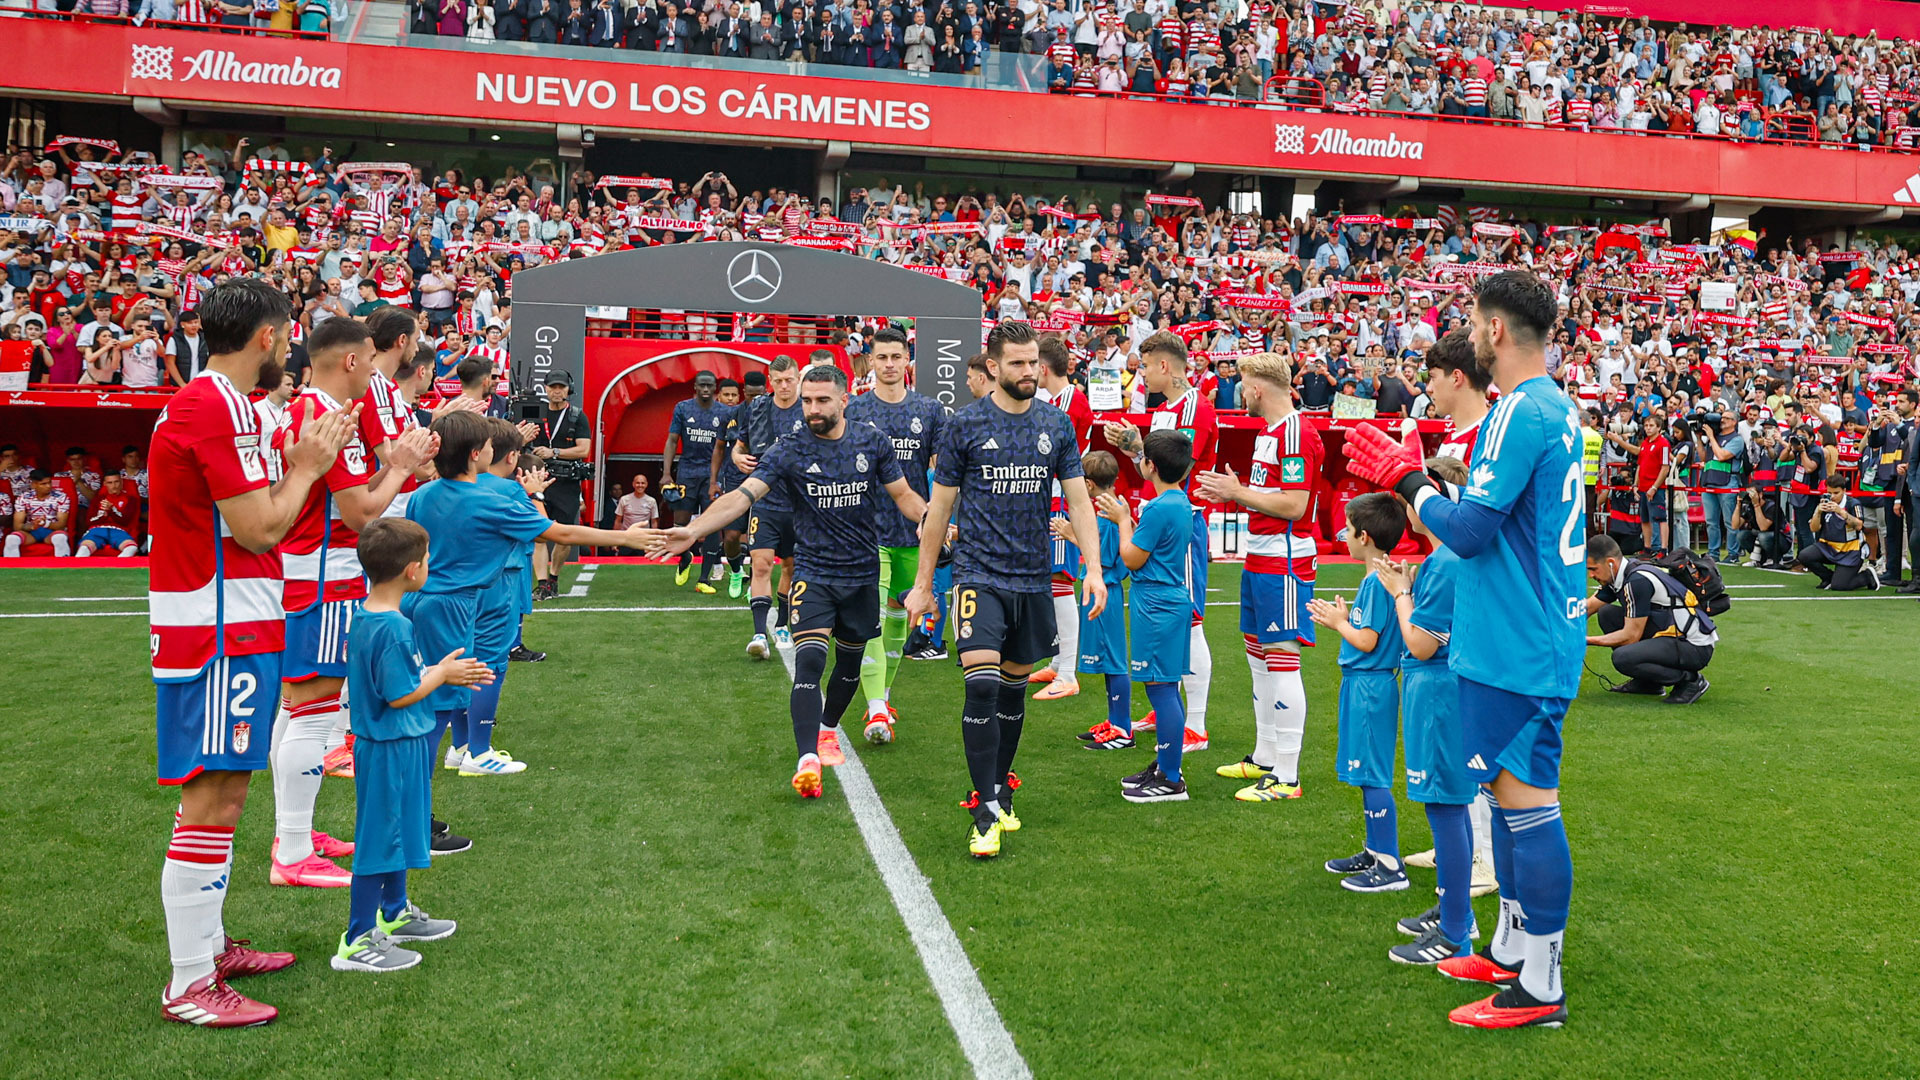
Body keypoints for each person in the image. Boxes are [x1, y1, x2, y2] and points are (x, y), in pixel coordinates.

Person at [1342, 270, 1584, 1028]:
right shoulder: (1543, 409)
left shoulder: (1525, 410)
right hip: (1513, 636)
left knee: (1526, 806)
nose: (1471, 333)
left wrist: (1404, 477)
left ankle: (1540, 983)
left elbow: (1470, 531)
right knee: (1506, 805)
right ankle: (1514, 949)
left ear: (1496, 332)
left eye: (1475, 322)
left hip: (1523, 644)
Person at [151, 277, 357, 1027]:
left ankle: (208, 947)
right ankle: (188, 984)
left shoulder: (232, 405)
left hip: (236, 620)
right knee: (211, 797)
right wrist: (307, 465)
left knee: (226, 797)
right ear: (268, 337)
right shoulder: (212, 405)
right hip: (214, 627)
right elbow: (260, 529)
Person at [651, 364, 925, 796]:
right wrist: (695, 529)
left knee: (848, 667)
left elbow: (904, 496)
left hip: (860, 575)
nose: (812, 409)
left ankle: (828, 727)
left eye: (821, 400)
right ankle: (807, 758)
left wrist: (932, 519)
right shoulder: (790, 449)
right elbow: (744, 495)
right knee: (811, 661)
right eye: (807, 401)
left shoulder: (872, 443)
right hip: (813, 574)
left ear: (843, 400)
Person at [905, 321, 1108, 859]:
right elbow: (940, 508)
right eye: (1017, 363)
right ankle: (984, 810)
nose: (1029, 372)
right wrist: (924, 586)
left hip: (1033, 577)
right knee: (981, 686)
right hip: (977, 575)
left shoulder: (1056, 424)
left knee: (1015, 692)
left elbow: (1080, 501)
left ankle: (1001, 786)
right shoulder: (965, 426)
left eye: (1033, 361)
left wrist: (1093, 566)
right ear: (992, 366)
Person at [267, 317, 435, 887]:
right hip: (324, 576)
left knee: (296, 710)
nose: (374, 372)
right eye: (368, 360)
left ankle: (296, 832)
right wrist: (400, 468)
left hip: (305, 571)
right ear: (350, 361)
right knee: (314, 713)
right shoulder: (326, 419)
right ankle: (291, 851)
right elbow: (361, 513)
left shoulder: (302, 410)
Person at [404, 412, 651, 800]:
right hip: (451, 607)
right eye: (488, 444)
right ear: (475, 454)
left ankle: (421, 800)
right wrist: (629, 539)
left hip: (419, 602)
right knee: (435, 711)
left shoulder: (422, 495)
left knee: (431, 700)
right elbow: (560, 532)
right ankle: (417, 811)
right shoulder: (490, 501)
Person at [333, 517, 480, 973]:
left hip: (401, 744)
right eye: (427, 559)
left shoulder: (377, 616)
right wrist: (442, 674)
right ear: (412, 571)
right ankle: (357, 940)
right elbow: (398, 694)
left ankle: (393, 913)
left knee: (398, 833)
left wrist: (434, 669)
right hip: (389, 748)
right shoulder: (391, 628)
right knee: (379, 839)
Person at [1192, 351, 1320, 801]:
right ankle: (1265, 756)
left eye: (1243, 384)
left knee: (1281, 655)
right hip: (1262, 555)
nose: (1239, 392)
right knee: (1259, 655)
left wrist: (1237, 491)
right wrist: (1238, 491)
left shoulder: (1296, 433)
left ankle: (1287, 775)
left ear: (1258, 388)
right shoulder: (1273, 432)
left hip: (1283, 560)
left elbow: (1295, 505)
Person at [1373, 455, 1479, 965]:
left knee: (1445, 807)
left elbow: (1418, 643)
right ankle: (1453, 909)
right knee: (1450, 807)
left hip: (1439, 694)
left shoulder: (1445, 562)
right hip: (1449, 690)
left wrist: (1400, 593)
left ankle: (1456, 930)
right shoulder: (1452, 556)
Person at [1101, 330, 1217, 752]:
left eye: (1146, 366)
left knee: (1189, 622)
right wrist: (1134, 449)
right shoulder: (1170, 407)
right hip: (1165, 520)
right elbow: (1158, 468)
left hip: (1181, 524)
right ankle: (1165, 706)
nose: (1142, 374)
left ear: (1165, 365)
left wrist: (1135, 447)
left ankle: (1197, 725)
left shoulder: (1196, 409)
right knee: (1170, 623)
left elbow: (1178, 470)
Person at [844, 326, 946, 742]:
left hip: (915, 531)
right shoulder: (854, 409)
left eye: (895, 357)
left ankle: (883, 695)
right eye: (881, 357)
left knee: (903, 617)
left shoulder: (931, 410)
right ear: (870, 361)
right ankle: (875, 709)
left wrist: (942, 518)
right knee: (871, 617)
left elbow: (941, 473)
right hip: (867, 531)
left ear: (907, 361)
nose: (888, 364)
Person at [1308, 493, 1408, 894]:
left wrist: (1337, 623)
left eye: (1348, 530)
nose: (1343, 536)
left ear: (1364, 537)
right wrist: (1348, 619)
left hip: (1371, 686)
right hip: (1367, 685)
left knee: (1372, 773)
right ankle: (1375, 849)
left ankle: (1389, 865)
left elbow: (1367, 640)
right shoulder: (1381, 577)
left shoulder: (1377, 581)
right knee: (1367, 770)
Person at [1112, 430, 1197, 803]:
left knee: (1160, 689)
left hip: (1157, 602)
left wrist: (1121, 519)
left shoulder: (1160, 507)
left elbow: (1131, 558)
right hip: (1167, 599)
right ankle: (1165, 765)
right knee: (1166, 687)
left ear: (1150, 465)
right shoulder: (1178, 501)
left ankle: (1172, 777)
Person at [1029, 333, 1094, 702]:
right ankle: (1059, 661)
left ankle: (1068, 671)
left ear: (1042, 367)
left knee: (1060, 580)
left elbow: (1052, 451)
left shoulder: (1069, 401)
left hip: (1060, 497)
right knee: (1053, 581)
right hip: (1053, 495)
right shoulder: (1062, 398)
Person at [1584, 534, 1718, 702]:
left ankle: (1689, 681)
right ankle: (1648, 683)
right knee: (1607, 614)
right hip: (1676, 636)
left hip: (1694, 646)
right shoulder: (1623, 573)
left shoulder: (1636, 580)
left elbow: (1630, 636)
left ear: (1610, 563)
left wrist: (1586, 640)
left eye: (1593, 569)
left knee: (1622, 658)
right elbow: (1588, 608)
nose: (1590, 575)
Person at [732, 356, 806, 658]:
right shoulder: (758, 407)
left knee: (792, 566)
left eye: (790, 379)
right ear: (770, 381)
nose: (785, 386)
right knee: (761, 564)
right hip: (765, 500)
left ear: (798, 377)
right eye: (779, 380)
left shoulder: (810, 406)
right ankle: (759, 633)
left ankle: (784, 624)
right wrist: (738, 456)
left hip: (801, 503)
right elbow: (741, 444)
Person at [1066, 451, 1134, 749]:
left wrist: (1073, 536)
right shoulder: (1113, 507)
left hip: (1104, 592)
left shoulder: (1106, 515)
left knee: (1115, 661)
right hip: (1102, 590)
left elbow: (1104, 557)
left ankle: (1122, 729)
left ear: (1089, 485)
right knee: (1109, 661)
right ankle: (1114, 720)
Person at [527, 376, 592, 600]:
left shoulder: (576, 415)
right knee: (539, 534)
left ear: (568, 389)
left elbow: (583, 450)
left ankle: (553, 578)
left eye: (560, 387)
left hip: (566, 481)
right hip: (538, 478)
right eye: (552, 387)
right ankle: (542, 583)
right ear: (545, 388)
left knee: (565, 535)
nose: (556, 391)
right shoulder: (536, 411)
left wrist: (554, 452)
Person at [662, 370, 727, 593]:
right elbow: (672, 440)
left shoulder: (724, 412)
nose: (706, 389)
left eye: (710, 386)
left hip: (713, 476)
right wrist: (667, 473)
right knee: (680, 524)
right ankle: (685, 555)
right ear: (695, 388)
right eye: (702, 385)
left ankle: (704, 579)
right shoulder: (682, 408)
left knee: (711, 527)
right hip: (687, 473)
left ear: (715, 389)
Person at [708, 372, 762, 598]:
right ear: (744, 393)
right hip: (734, 481)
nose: (754, 400)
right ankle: (737, 571)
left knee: (759, 537)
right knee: (730, 536)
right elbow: (720, 448)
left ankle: (756, 583)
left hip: (764, 480)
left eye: (758, 395)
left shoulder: (773, 415)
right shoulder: (731, 415)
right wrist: (713, 481)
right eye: (750, 395)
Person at [1794, 473, 1878, 592]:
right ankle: (1828, 578)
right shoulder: (1824, 502)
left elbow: (1859, 525)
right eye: (1830, 492)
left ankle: (1866, 577)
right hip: (1828, 547)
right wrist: (1817, 513)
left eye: (1836, 493)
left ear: (1844, 490)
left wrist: (1841, 512)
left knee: (1840, 586)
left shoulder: (1852, 504)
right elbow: (1814, 528)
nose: (1832, 496)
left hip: (1850, 551)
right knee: (1804, 556)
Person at [6, 470, 72, 557]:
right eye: (43, 484)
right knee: (11, 539)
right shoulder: (23, 498)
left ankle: (64, 569)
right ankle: (11, 569)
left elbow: (61, 524)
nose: (48, 486)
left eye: (49, 482)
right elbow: (17, 526)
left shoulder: (61, 497)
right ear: (33, 485)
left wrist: (45, 523)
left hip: (52, 531)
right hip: (31, 533)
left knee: (60, 538)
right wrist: (31, 526)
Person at [76, 472, 142, 557]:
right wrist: (104, 515)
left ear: (121, 482)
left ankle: (119, 569)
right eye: (110, 483)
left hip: (119, 530)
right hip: (98, 529)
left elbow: (125, 520)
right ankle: (78, 569)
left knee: (131, 548)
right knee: (84, 548)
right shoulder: (98, 499)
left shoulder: (130, 499)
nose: (114, 485)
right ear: (105, 484)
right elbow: (89, 521)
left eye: (116, 482)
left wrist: (111, 510)